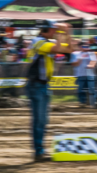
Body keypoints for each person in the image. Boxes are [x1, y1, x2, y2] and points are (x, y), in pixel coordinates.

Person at [26, 21, 76, 162]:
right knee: (39, 120)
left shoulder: (46, 41)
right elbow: (57, 48)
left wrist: (68, 33)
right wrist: (61, 33)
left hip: (43, 85)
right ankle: (38, 152)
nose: (55, 32)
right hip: (36, 85)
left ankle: (40, 151)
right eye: (53, 30)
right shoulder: (38, 42)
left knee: (43, 120)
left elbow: (70, 49)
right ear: (45, 30)